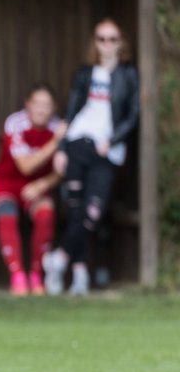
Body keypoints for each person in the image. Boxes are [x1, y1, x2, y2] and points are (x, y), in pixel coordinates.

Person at [44, 18, 140, 296]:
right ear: (94, 42)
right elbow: (71, 112)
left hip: (106, 151)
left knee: (92, 211)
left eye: (112, 39)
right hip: (78, 144)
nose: (107, 44)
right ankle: (79, 274)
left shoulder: (128, 74)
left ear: (120, 43)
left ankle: (58, 259)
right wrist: (62, 148)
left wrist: (112, 140)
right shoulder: (86, 73)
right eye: (101, 39)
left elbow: (133, 115)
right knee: (75, 210)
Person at [0, 85, 66, 295]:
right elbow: (26, 166)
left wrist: (43, 184)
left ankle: (36, 274)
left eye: (47, 105)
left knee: (46, 213)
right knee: (7, 214)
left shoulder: (58, 127)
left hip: (37, 187)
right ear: (27, 105)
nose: (42, 110)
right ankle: (17, 275)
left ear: (54, 108)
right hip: (6, 183)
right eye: (37, 104)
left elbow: (63, 170)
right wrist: (56, 141)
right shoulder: (15, 123)